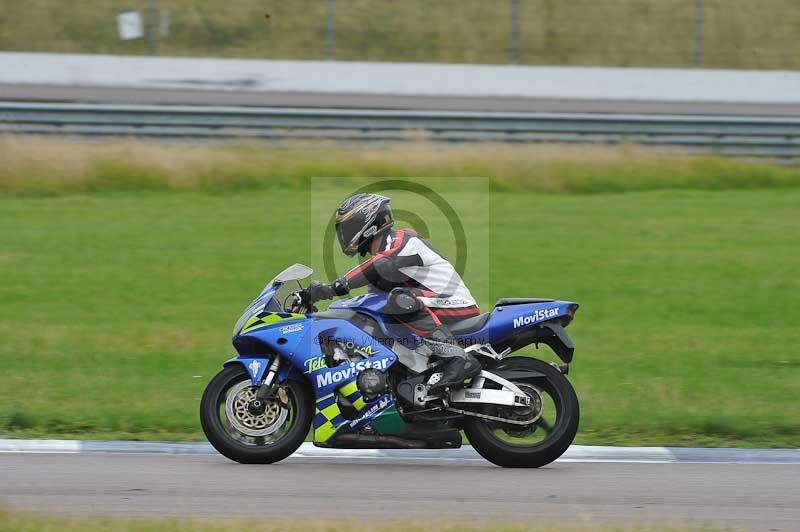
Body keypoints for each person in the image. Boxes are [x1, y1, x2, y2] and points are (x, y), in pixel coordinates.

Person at [305, 193, 482, 393]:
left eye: (350, 227)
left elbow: (378, 265)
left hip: (455, 304)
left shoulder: (403, 240)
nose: (344, 234)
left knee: (400, 300)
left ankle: (458, 359)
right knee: (372, 311)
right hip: (432, 306)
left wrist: (332, 288)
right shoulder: (384, 260)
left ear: (369, 224)